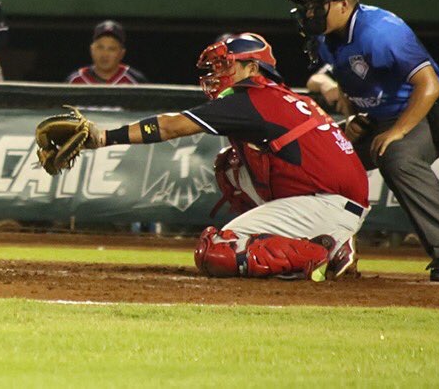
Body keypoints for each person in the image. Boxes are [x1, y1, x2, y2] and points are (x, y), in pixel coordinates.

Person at [71, 33, 368, 280]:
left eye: (226, 66)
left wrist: (102, 138)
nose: (217, 75)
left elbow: (172, 126)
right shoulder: (283, 97)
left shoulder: (253, 98)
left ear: (252, 68)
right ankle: (329, 237)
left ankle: (325, 249)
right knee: (231, 166)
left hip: (327, 202)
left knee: (217, 251)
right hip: (331, 198)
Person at [287, 0, 439, 282]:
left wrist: (397, 131)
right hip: (375, 117)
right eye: (306, 6)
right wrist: (352, 117)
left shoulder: (381, 30)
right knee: (314, 157)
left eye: (316, 4)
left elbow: (429, 86)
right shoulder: (327, 37)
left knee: (397, 157)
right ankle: (310, 247)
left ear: (343, 4)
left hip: (425, 113)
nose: (309, 12)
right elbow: (347, 80)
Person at [66, 20, 147, 84]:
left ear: (122, 53)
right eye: (100, 47)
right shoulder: (75, 80)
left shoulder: (135, 81)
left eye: (112, 49)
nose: (105, 54)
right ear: (92, 50)